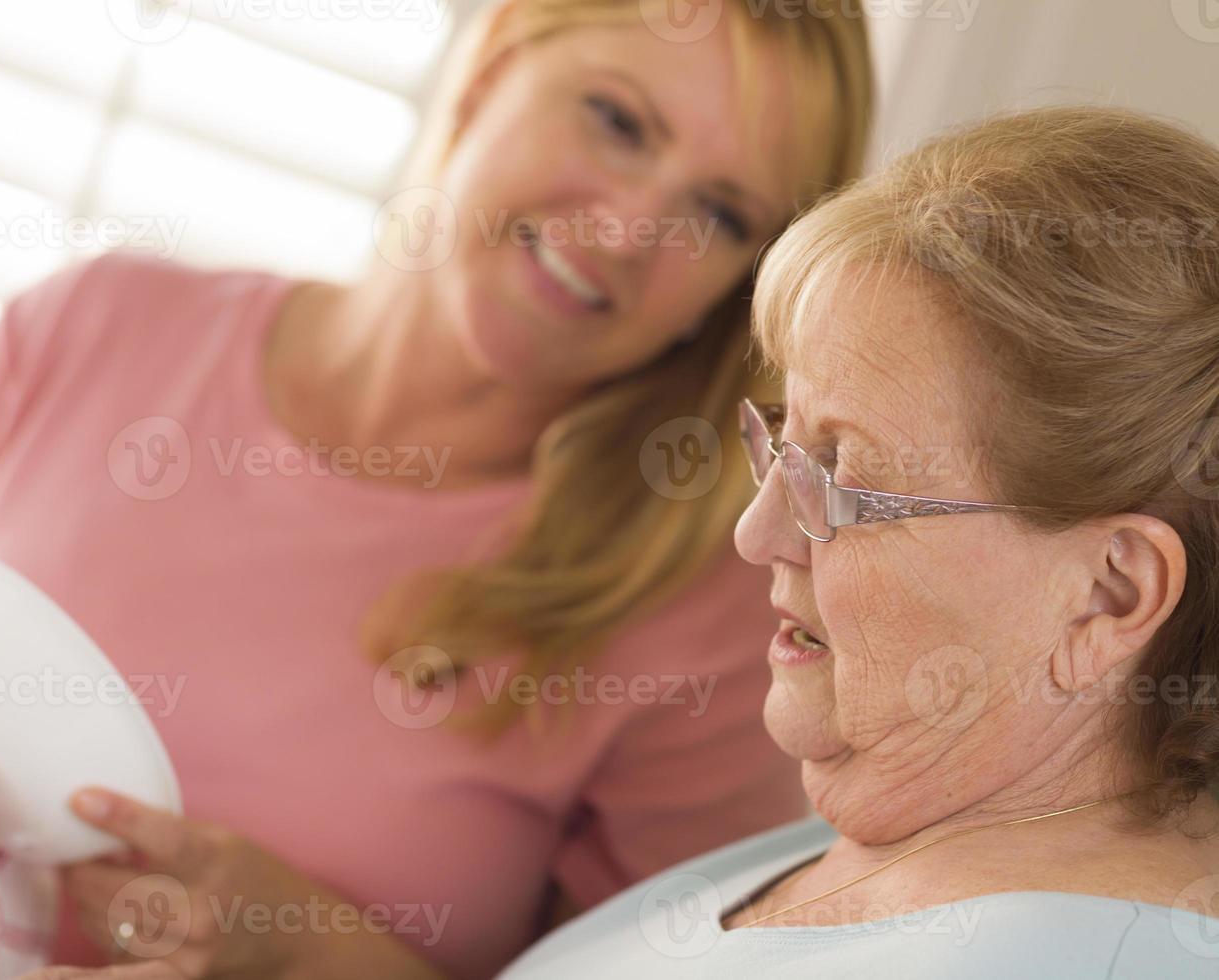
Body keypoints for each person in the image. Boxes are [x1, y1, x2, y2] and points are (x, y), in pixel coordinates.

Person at [0, 0, 874, 976]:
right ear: (492, 66)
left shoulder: (710, 625)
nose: (628, 232)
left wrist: (305, 954)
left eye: (718, 211)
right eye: (617, 121)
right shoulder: (89, 328)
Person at [492, 104, 1219, 977]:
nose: (757, 534)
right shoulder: (881, 830)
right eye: (783, 444)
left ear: (1111, 594)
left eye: (839, 478)